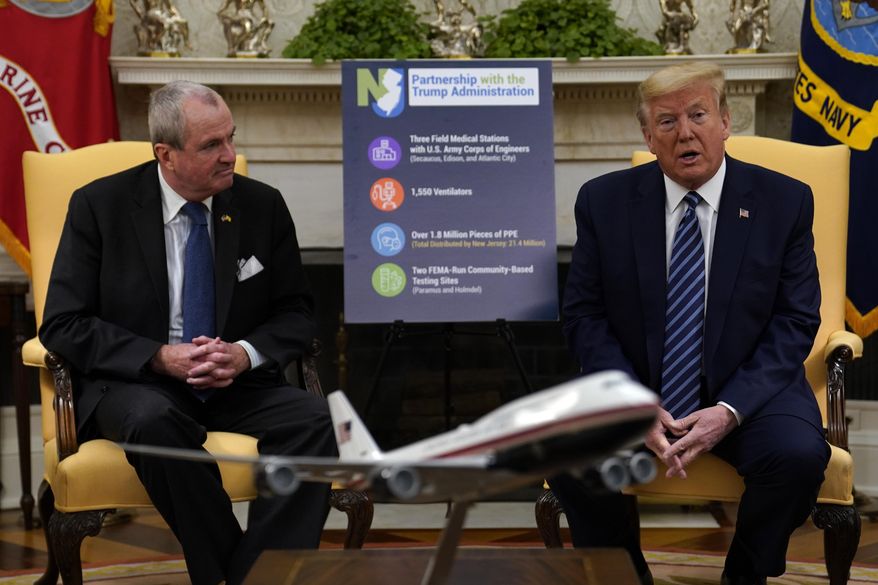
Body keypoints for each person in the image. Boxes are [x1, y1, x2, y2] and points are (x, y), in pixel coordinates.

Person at [39, 81, 336, 585]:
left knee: (314, 420)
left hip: (235, 382)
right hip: (138, 384)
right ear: (166, 154)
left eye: (230, 138)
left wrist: (243, 355)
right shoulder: (100, 206)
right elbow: (63, 324)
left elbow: (296, 312)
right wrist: (157, 357)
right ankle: (233, 574)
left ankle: (265, 576)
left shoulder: (261, 205)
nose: (230, 156)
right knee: (154, 422)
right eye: (211, 146)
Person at [550, 62, 829, 585]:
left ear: (725, 121)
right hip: (637, 382)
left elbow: (795, 319)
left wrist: (730, 409)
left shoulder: (783, 201)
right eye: (667, 121)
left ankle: (744, 575)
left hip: (749, 390)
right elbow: (584, 315)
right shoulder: (603, 202)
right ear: (648, 136)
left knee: (796, 456)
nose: (685, 133)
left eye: (698, 114)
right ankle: (623, 576)